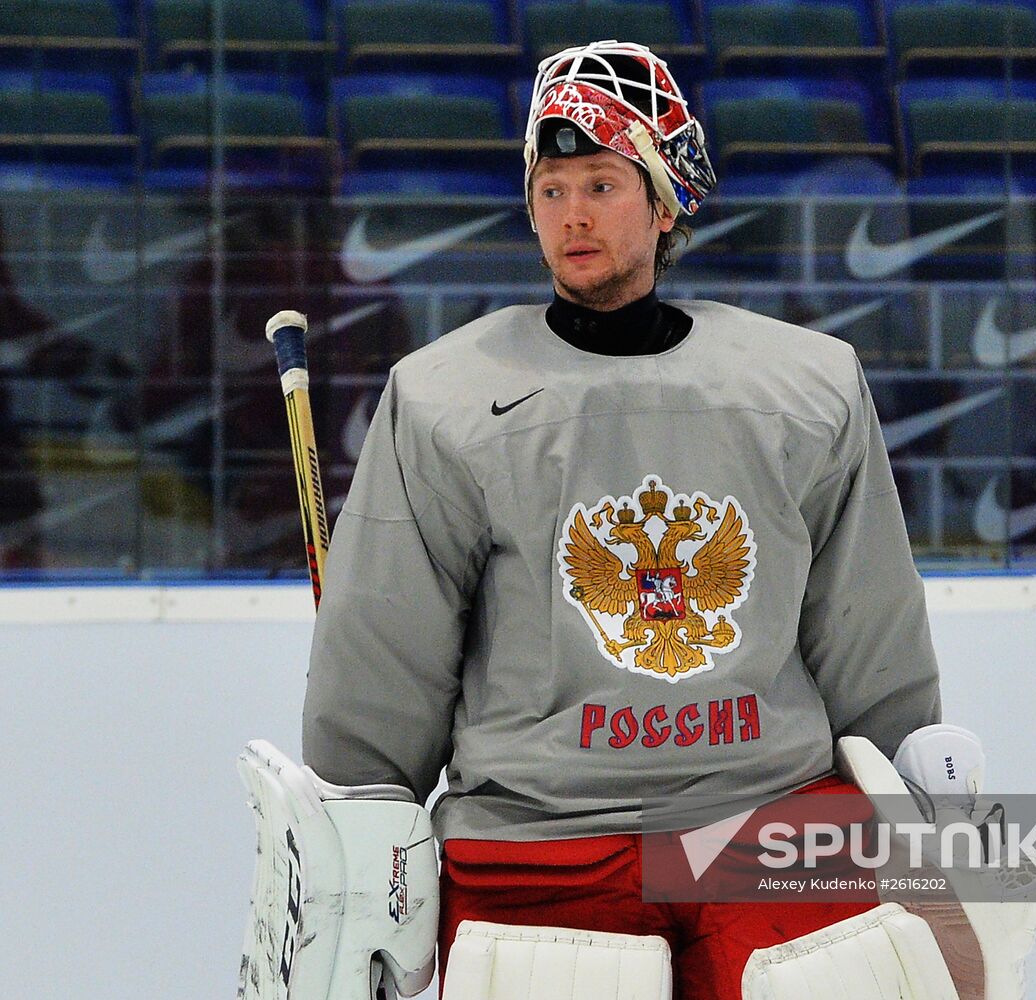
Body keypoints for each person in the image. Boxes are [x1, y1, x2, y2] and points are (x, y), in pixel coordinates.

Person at [302, 40, 948, 998]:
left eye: (601, 184)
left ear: (662, 198)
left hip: (765, 810)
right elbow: (388, 644)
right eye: (551, 189)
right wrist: (358, 820)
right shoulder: (445, 399)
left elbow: (866, 621)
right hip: (536, 827)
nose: (573, 217)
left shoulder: (804, 388)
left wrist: (907, 767)